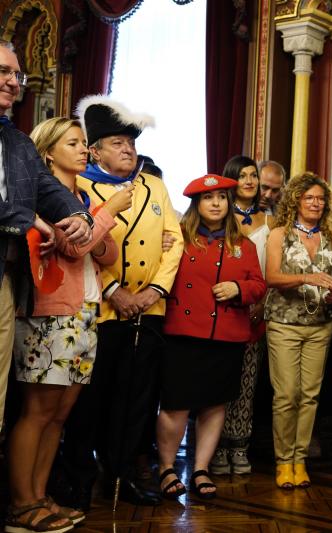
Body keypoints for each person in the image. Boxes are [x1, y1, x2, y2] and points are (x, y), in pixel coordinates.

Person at [4, 117, 127, 533]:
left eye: (84, 143)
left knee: (59, 415)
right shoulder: (41, 196)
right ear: (48, 152)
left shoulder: (84, 194)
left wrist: (98, 226)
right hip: (50, 309)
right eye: (73, 143)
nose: (83, 150)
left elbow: (106, 254)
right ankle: (21, 503)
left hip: (86, 310)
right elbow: (74, 248)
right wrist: (107, 214)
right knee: (37, 412)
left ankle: (40, 497)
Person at [64, 95, 183, 508]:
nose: (128, 149)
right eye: (117, 143)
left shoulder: (154, 185)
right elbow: (84, 245)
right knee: (89, 399)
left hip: (148, 309)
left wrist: (155, 291)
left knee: (135, 399)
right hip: (102, 309)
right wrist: (118, 291)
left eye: (131, 143)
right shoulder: (79, 186)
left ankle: (124, 474)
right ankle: (79, 477)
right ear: (94, 149)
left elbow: (175, 240)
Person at [0, 42, 93, 437]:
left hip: (5, 279)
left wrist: (78, 215)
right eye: (4, 71)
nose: (12, 81)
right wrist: (29, 220)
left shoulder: (19, 142)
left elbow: (46, 186)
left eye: (16, 74)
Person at [156, 174, 266, 500]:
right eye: (208, 198)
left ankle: (201, 467)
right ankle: (166, 468)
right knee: (175, 404)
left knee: (214, 405)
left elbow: (259, 286)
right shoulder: (178, 237)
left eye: (221, 197)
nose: (216, 203)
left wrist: (239, 289)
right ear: (196, 204)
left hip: (226, 335)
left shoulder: (243, 244)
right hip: (183, 333)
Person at [264, 172, 332, 489]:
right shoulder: (278, 234)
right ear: (296, 200)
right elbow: (271, 277)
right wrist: (306, 278)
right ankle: (283, 461)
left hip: (321, 325)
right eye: (309, 197)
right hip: (284, 323)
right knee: (287, 395)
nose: (315, 202)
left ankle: (300, 460)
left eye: (321, 198)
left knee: (310, 396)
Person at [210, 155, 269, 475]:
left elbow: (273, 269)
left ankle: (239, 445)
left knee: (248, 381)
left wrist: (262, 304)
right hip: (222, 306)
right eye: (242, 175)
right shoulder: (217, 215)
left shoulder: (270, 220)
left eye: (253, 175)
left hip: (258, 305)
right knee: (221, 381)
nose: (249, 181)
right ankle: (215, 446)